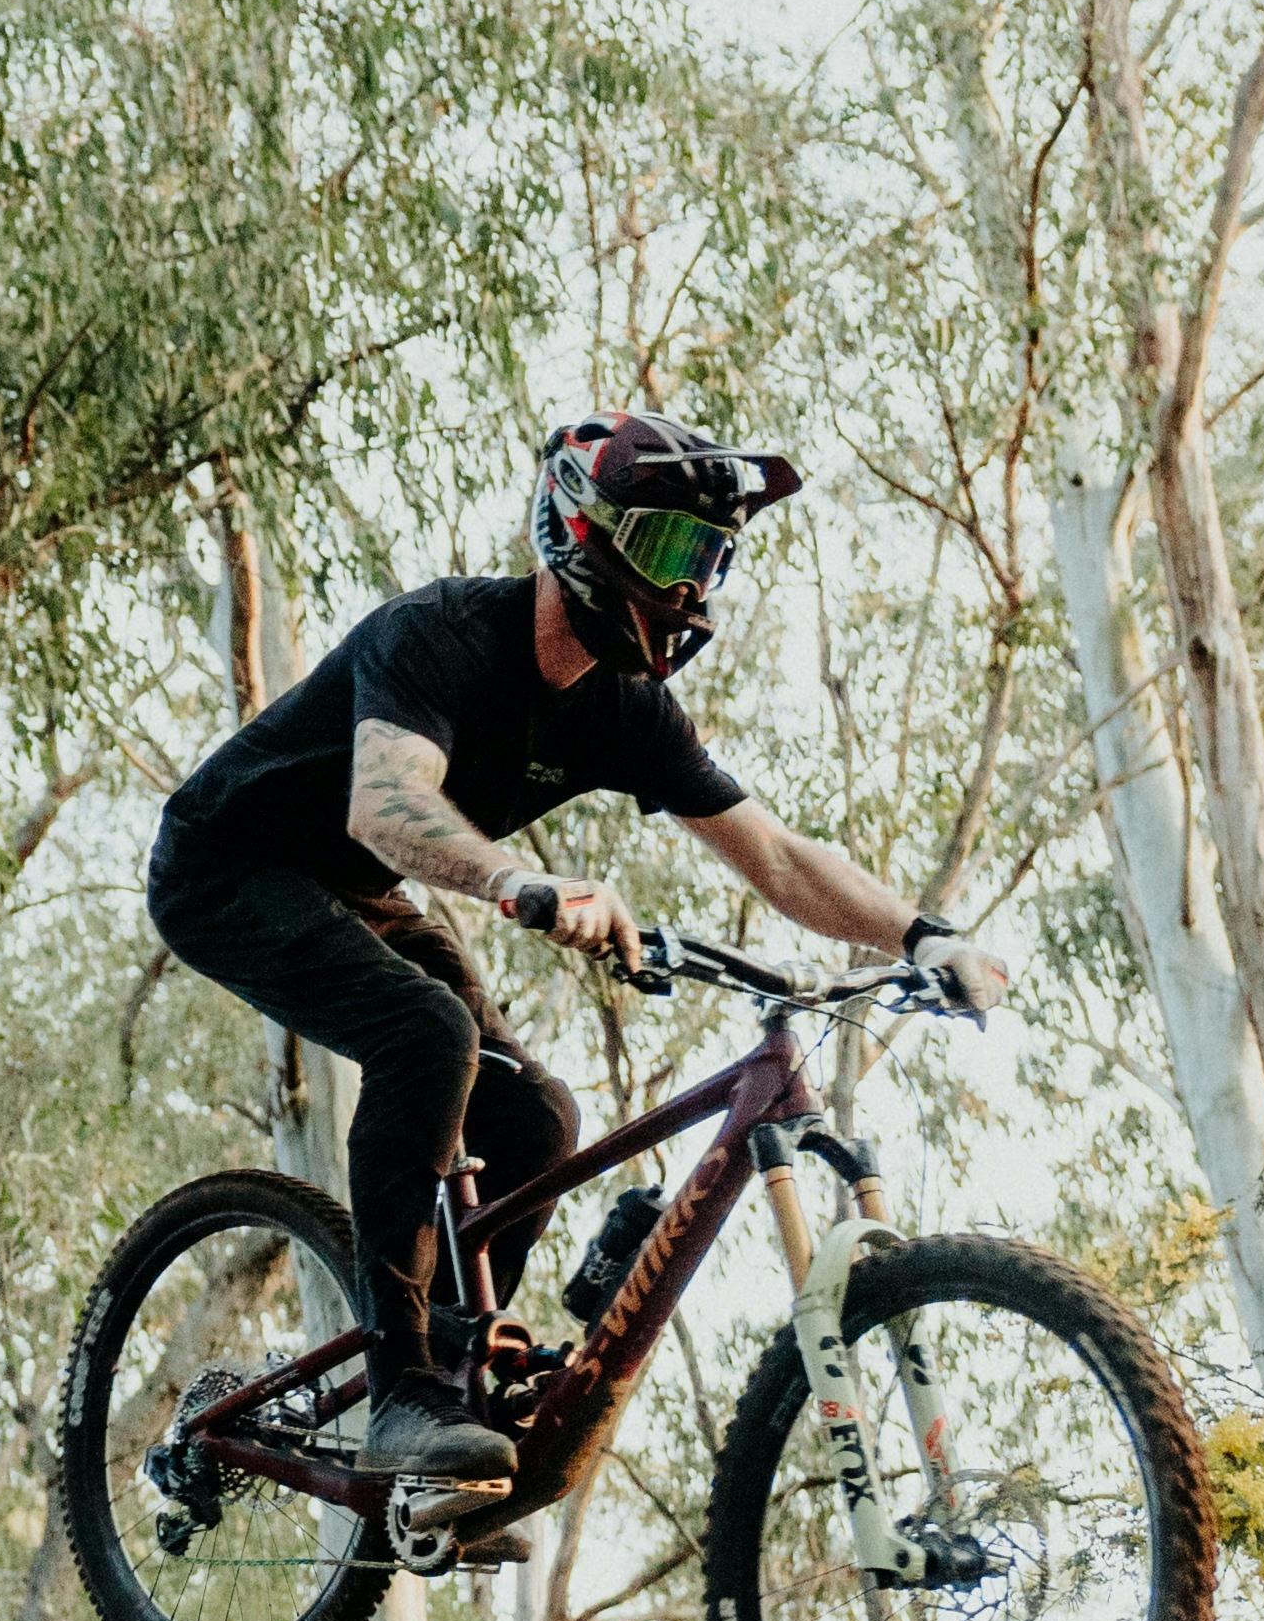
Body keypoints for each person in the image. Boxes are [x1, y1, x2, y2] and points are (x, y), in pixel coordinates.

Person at [146, 411, 1018, 1482]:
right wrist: (520, 880)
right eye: (667, 550)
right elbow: (384, 807)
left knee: (537, 1114)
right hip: (225, 867)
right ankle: (406, 1391)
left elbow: (779, 858)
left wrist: (925, 937)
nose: (690, 588)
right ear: (578, 530)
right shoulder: (442, 635)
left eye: (709, 559)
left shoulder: (628, 714)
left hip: (350, 894)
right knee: (427, 1031)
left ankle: (454, 1370)